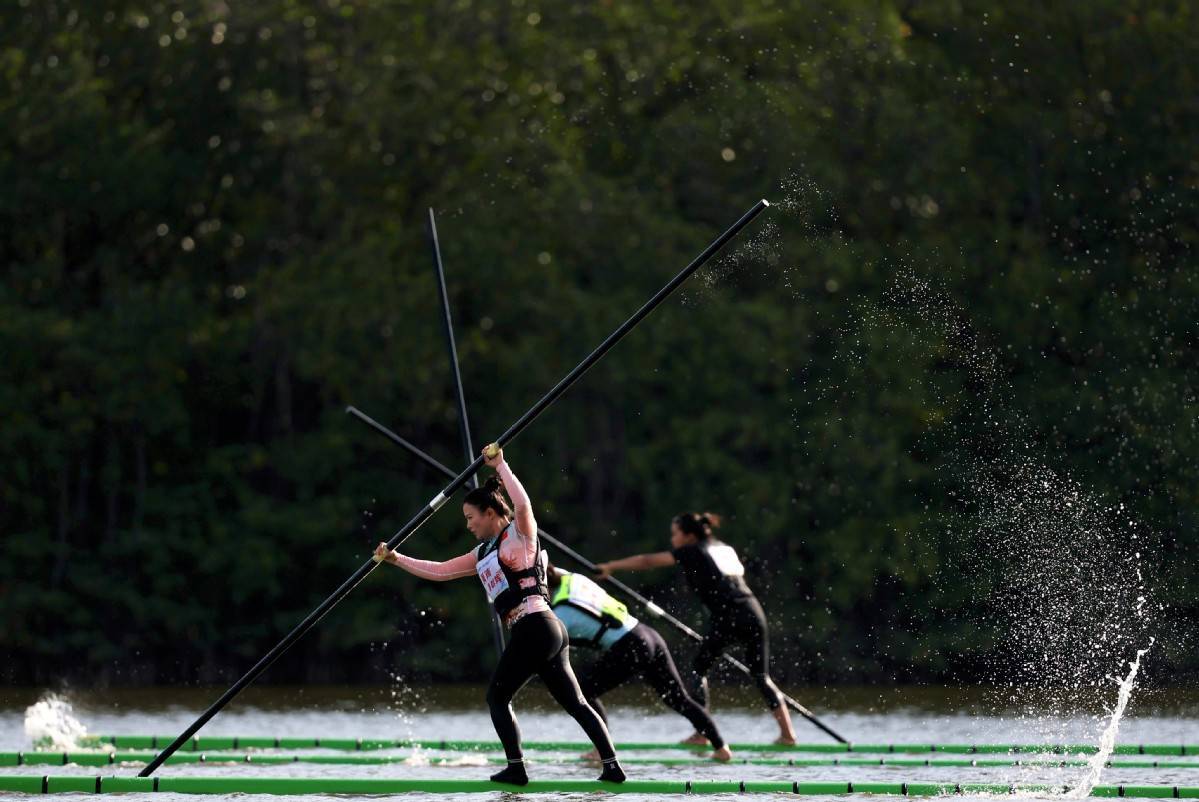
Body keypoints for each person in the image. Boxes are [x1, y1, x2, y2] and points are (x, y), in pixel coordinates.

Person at [374, 446, 626, 785]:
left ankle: (517, 769)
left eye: (470, 517)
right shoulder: (482, 552)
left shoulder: (520, 535)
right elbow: (440, 571)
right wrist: (396, 559)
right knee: (576, 703)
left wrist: (502, 464)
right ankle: (612, 767)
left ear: (491, 512)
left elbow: (522, 504)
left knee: (497, 697)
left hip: (536, 628)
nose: (468, 525)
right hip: (547, 630)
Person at [594, 512, 797, 745]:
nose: (672, 539)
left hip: (728, 617)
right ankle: (788, 735)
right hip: (754, 612)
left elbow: (648, 561)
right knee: (761, 676)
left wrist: (611, 566)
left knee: (697, 669)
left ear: (689, 536)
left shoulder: (691, 550)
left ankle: (702, 734)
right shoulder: (723, 548)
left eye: (675, 534)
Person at [547, 563, 733, 761]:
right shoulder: (573, 579)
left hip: (630, 646)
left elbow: (545, 647)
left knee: (584, 691)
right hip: (648, 634)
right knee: (678, 698)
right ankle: (721, 747)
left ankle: (602, 750)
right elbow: (552, 571)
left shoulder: (560, 614)